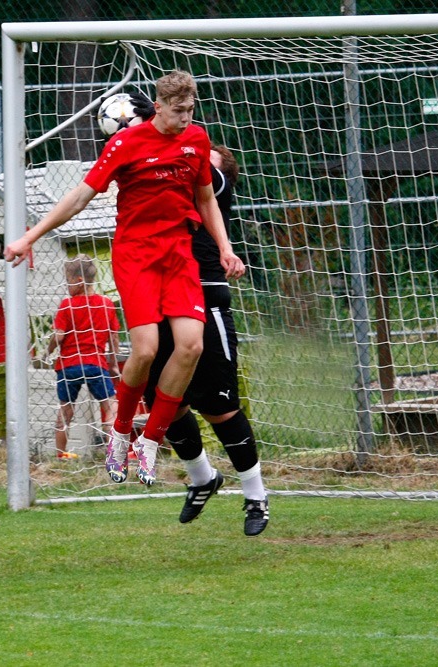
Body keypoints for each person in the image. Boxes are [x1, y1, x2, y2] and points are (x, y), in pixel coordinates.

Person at [6, 70, 245, 487]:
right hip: (136, 254)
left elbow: (206, 199)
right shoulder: (126, 143)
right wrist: (29, 236)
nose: (185, 118)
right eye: (177, 111)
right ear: (158, 106)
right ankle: (120, 433)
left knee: (191, 346)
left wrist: (225, 248)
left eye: (190, 110)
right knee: (147, 350)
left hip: (179, 253)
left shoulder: (197, 139)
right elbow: (79, 197)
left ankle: (149, 442)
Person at [140, 143, 270, 536]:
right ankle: (202, 478)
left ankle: (256, 496)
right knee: (165, 402)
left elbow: (200, 171)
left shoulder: (216, 187)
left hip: (205, 302)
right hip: (162, 303)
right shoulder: (170, 193)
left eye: (201, 160)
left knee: (219, 408)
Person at [48, 254, 121, 459]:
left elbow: (59, 336)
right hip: (95, 364)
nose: (65, 284)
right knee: (110, 405)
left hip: (68, 366)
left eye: (67, 279)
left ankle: (61, 455)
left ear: (79, 282)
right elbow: (113, 338)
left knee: (65, 411)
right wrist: (113, 364)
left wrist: (48, 350)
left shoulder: (67, 306)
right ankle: (115, 452)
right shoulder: (107, 304)